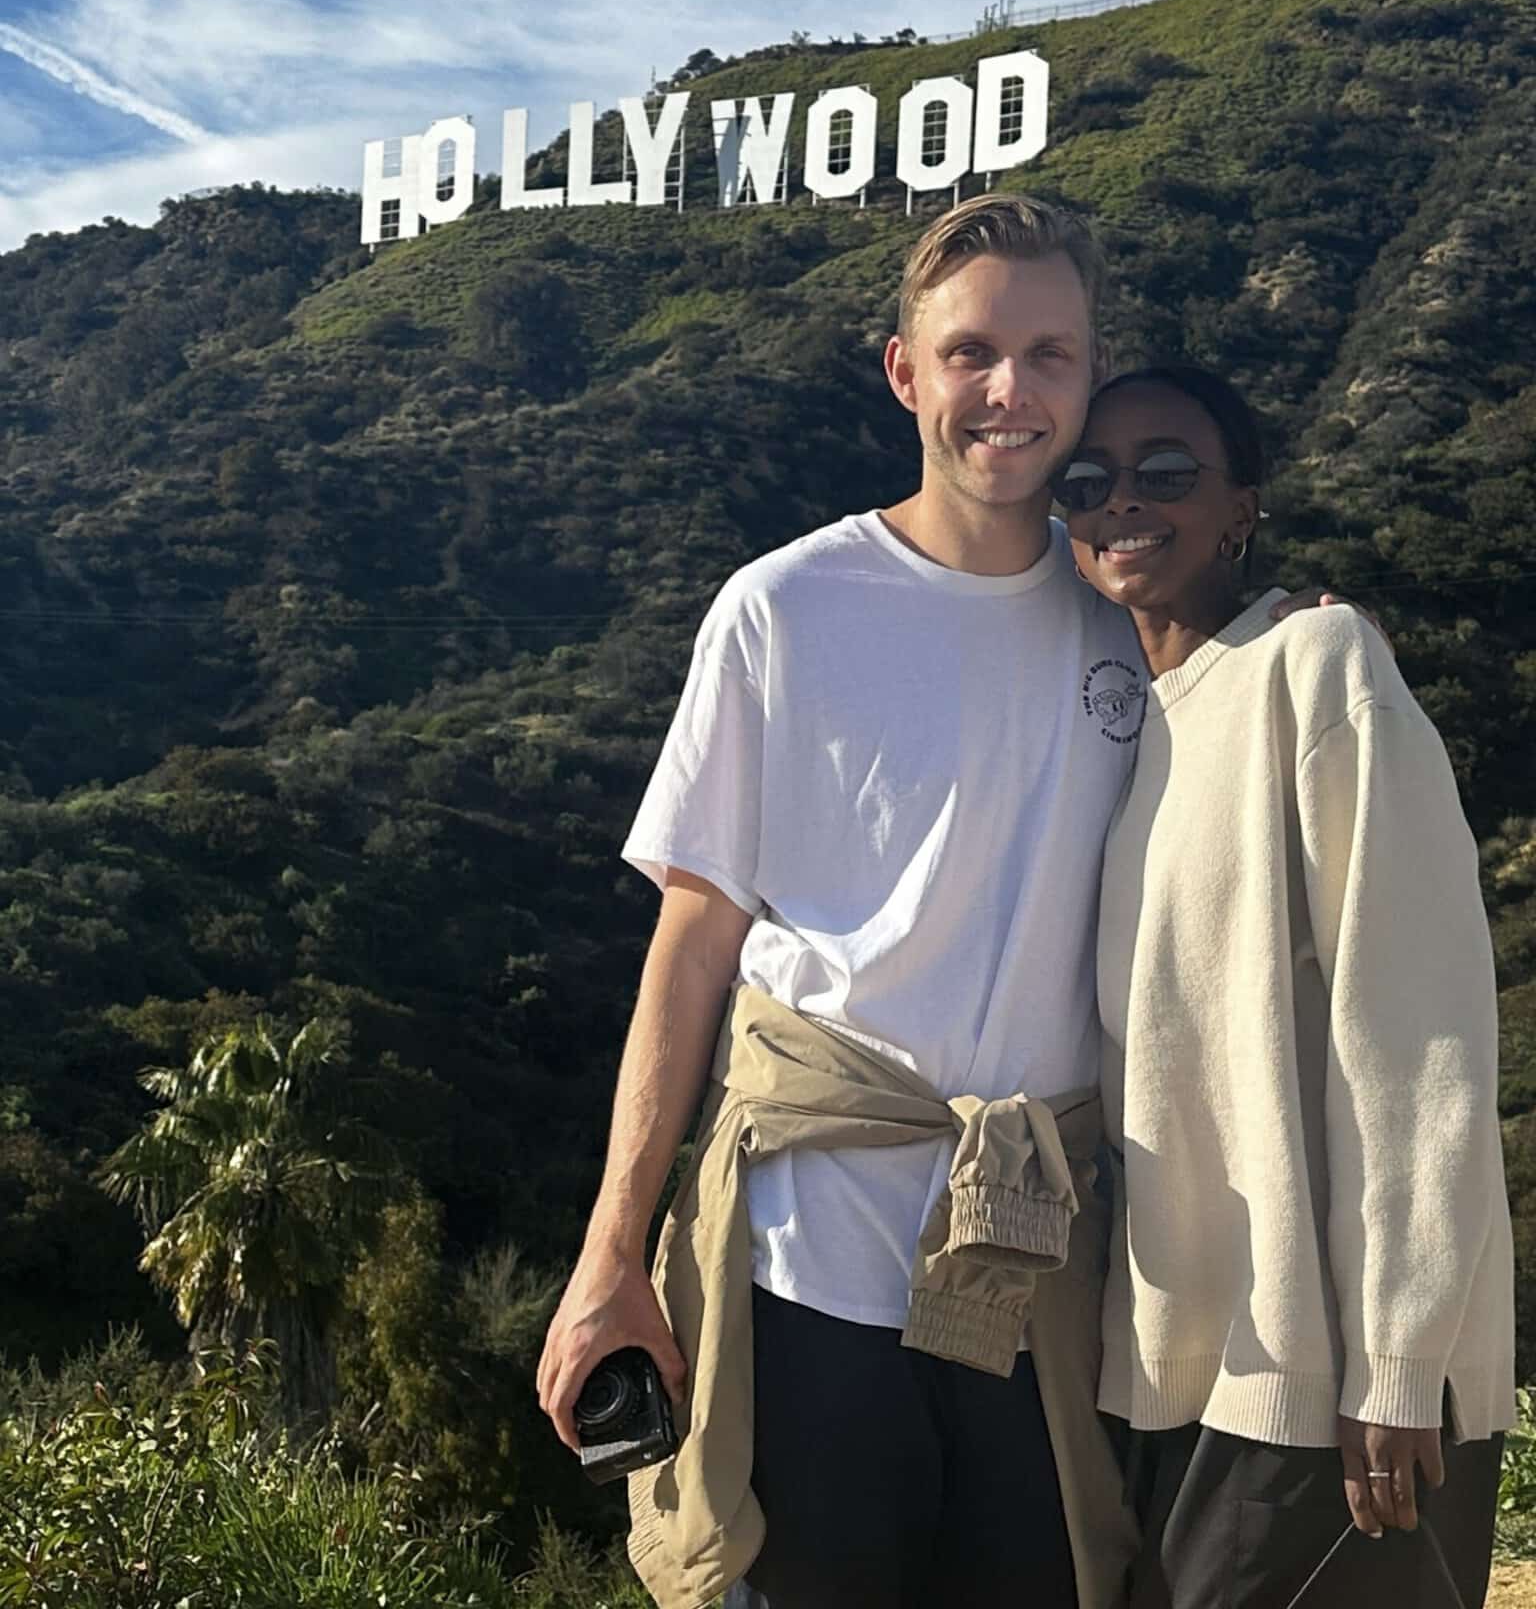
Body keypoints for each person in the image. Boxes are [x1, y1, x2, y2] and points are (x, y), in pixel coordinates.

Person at [537, 197, 1342, 1609]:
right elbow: (693, 942)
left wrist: (1325, 638)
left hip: (1048, 1263)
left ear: (1090, 376)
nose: (1010, 393)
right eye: (972, 353)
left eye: (1050, 355)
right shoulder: (784, 610)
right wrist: (612, 1257)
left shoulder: (1135, 618)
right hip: (809, 1260)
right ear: (907, 371)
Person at [1056, 363, 1516, 1609]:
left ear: (1239, 505)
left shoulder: (1318, 667)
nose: (1122, 503)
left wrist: (1401, 1355)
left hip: (1331, 1384)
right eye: (1087, 480)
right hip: (1176, 1366)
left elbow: (1417, 1025)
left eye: (1167, 472)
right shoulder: (1128, 727)